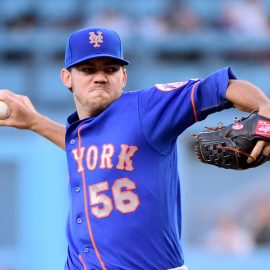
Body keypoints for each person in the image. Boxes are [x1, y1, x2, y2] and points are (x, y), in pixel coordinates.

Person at [0, 26, 270, 270]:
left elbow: (223, 88)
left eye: (110, 69)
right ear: (66, 78)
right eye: (87, 69)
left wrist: (266, 110)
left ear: (124, 76)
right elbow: (85, 148)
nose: (100, 77)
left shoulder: (146, 109)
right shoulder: (79, 135)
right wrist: (34, 122)